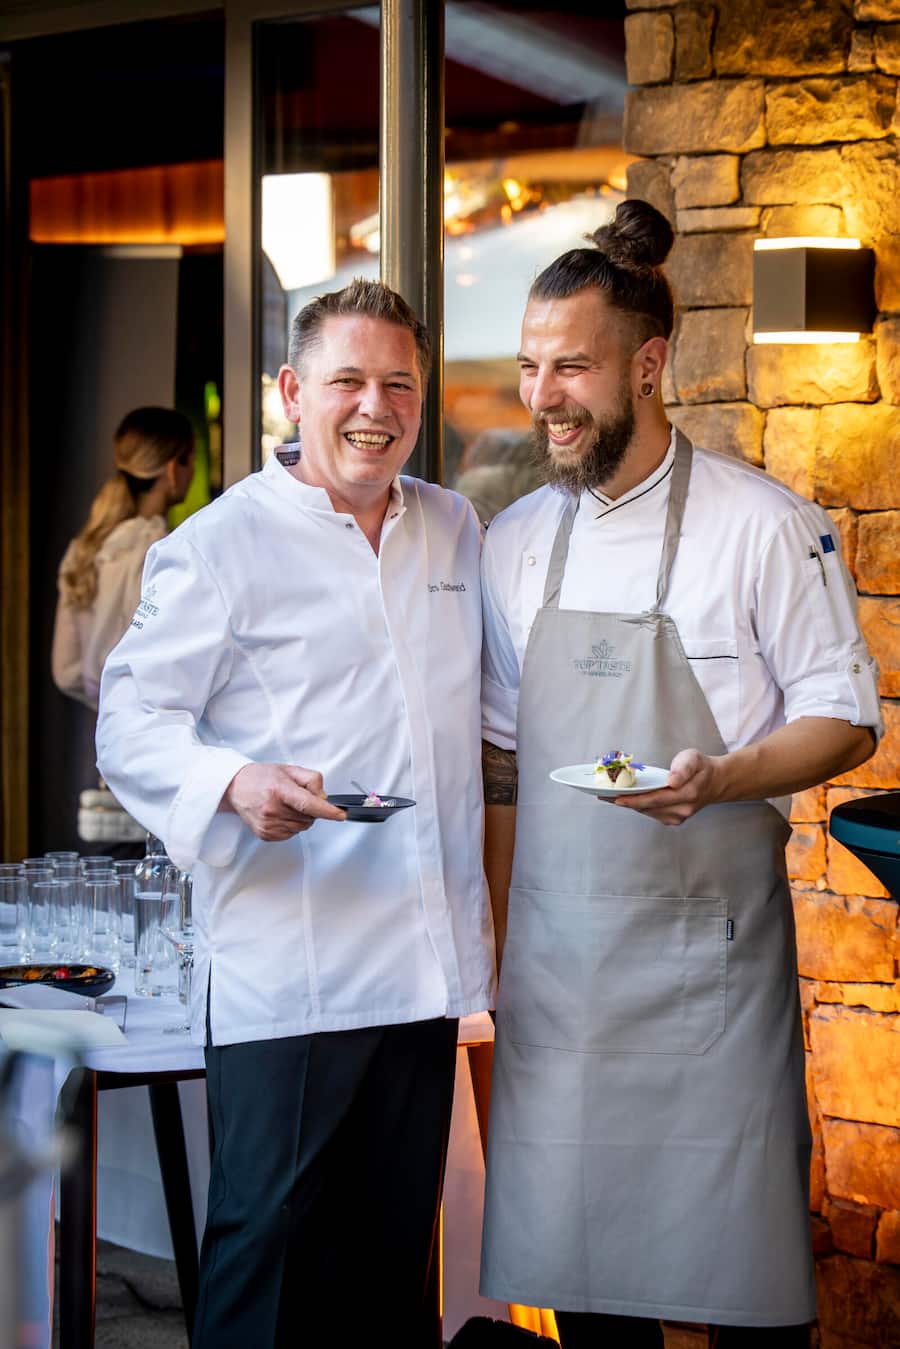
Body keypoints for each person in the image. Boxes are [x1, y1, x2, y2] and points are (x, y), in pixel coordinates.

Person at [478, 200, 882, 1348]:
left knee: (742, 1285)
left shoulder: (764, 525)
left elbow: (846, 720)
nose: (544, 396)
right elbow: (503, 762)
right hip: (561, 984)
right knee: (587, 1289)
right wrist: (493, 952)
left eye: (572, 367)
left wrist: (726, 773)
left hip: (711, 972)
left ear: (649, 366)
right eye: (531, 367)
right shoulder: (514, 542)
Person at [96, 279, 496, 1348]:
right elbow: (129, 722)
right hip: (293, 976)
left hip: (424, 973)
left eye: (399, 384)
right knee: (266, 1275)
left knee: (391, 1276)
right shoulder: (219, 544)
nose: (376, 406)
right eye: (348, 380)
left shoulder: (453, 527)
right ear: (291, 391)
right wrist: (234, 782)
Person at [51, 406, 195, 710]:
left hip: (106, 728)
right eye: (191, 461)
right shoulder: (165, 550)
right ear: (173, 470)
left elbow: (65, 672)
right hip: (160, 725)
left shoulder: (84, 548)